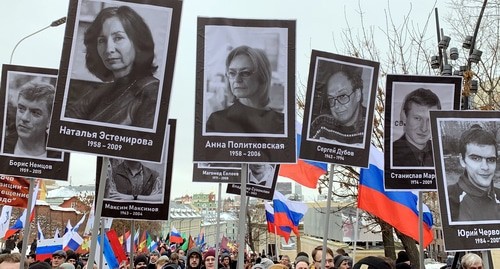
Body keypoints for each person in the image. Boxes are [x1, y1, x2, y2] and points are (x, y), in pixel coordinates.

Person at [65, 5, 159, 128]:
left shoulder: (152, 92)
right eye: (102, 41)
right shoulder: (105, 90)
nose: (109, 49)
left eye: (118, 38)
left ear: (137, 43)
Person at [206, 45, 284, 134]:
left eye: (245, 73)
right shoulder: (217, 121)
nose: (237, 79)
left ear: (262, 77)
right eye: (232, 73)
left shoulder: (281, 123)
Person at [447, 125, 500, 221]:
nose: (485, 167)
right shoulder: (448, 198)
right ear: (462, 160)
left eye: (491, 160)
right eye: (476, 158)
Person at [309, 64, 366, 145]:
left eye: (342, 96)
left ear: (358, 94)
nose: (336, 106)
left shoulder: (370, 130)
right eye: (331, 99)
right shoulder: (321, 124)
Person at [3, 83, 60, 158]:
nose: (24, 118)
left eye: (35, 113)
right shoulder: (3, 145)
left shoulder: (59, 155)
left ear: (50, 120)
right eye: (21, 109)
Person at [392, 88, 441, 167]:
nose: (424, 128)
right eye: (417, 118)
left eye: (430, 120)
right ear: (404, 117)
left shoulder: (442, 155)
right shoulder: (389, 154)